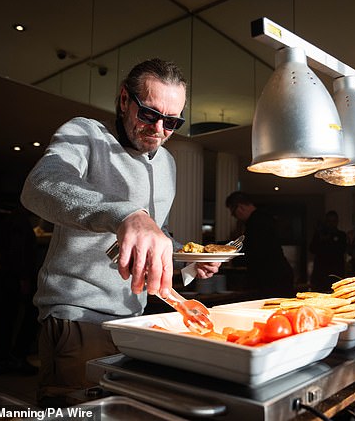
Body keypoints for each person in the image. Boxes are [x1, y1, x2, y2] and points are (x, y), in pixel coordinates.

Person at [21, 58, 220, 407]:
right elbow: (40, 185)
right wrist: (125, 213)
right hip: (79, 316)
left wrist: (188, 261)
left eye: (172, 121)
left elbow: (153, 233)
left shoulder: (168, 163)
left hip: (134, 319)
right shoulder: (86, 134)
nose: (159, 129)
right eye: (149, 114)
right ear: (125, 99)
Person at [0, 203, 39, 376]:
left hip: (9, 276)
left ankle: (3, 361)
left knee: (6, 319)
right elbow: (17, 251)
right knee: (23, 317)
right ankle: (15, 359)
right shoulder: (19, 221)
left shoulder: (11, 219)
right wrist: (24, 278)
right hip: (15, 278)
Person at [225, 191, 294, 298]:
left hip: (271, 277)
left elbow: (257, 252)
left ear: (240, 207)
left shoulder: (256, 222)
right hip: (278, 273)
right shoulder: (263, 217)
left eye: (233, 213)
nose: (235, 217)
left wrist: (233, 260)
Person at [309, 210, 347, 291]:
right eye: (329, 221)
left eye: (333, 221)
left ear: (337, 222)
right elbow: (312, 249)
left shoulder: (341, 235)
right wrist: (321, 239)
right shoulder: (319, 235)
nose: (331, 224)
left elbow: (342, 250)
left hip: (336, 273)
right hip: (320, 274)